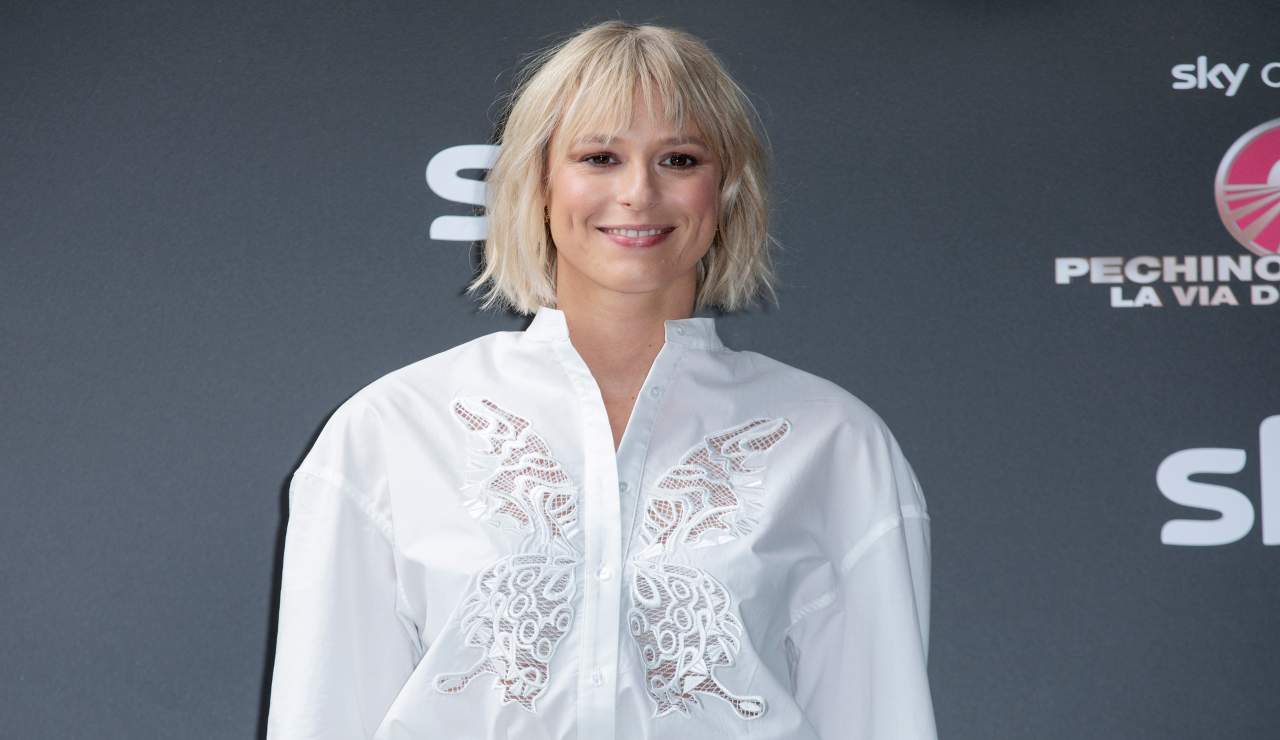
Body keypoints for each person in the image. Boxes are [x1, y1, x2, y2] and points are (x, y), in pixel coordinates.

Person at [265, 19, 937, 740]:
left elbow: (881, 720)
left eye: (678, 159)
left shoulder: (833, 440)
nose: (638, 193)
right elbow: (323, 717)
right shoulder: (393, 428)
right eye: (599, 157)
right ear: (537, 182)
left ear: (726, 191)